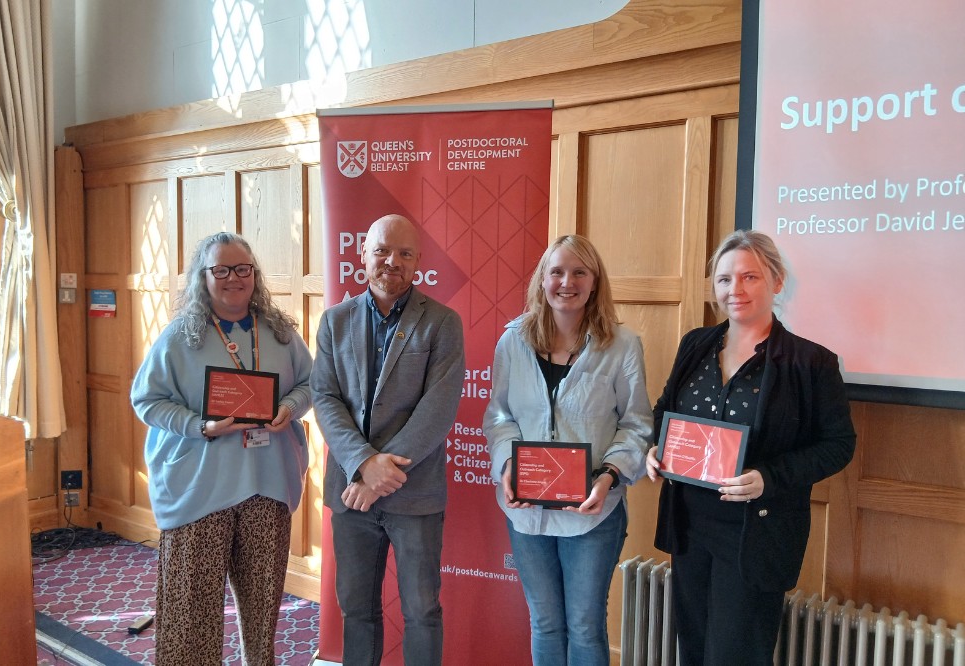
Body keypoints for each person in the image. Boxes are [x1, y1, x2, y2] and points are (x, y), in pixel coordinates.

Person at [645, 229, 856, 666]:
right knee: (695, 650)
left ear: (777, 282)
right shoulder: (696, 344)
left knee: (736, 655)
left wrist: (769, 477)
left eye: (749, 277)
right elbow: (665, 411)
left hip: (754, 533)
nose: (734, 290)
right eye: (724, 280)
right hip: (690, 524)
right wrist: (655, 447)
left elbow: (838, 445)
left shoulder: (811, 362)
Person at [130, 232, 313, 665]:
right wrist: (200, 426)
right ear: (203, 276)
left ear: (255, 274)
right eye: (222, 270)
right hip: (199, 490)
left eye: (243, 269)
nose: (234, 278)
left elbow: (311, 384)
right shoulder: (179, 337)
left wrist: (290, 405)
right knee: (190, 613)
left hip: (267, 485)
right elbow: (146, 400)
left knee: (262, 607)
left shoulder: (280, 332)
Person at [483, 234, 652, 666]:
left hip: (592, 513)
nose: (567, 282)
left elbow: (636, 424)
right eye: (556, 271)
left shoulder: (622, 345)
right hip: (526, 512)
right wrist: (506, 466)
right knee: (544, 623)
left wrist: (609, 475)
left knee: (584, 625)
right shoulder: (512, 343)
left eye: (579, 272)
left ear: (594, 283)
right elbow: (499, 416)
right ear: (543, 280)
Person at [311, 213, 465, 666]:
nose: (391, 260)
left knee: (422, 611)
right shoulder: (334, 321)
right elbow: (324, 398)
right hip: (350, 493)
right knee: (356, 609)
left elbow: (437, 411)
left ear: (418, 262)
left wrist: (380, 474)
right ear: (363, 256)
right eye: (381, 250)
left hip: (413, 493)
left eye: (403, 253)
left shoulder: (442, 322)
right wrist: (363, 464)